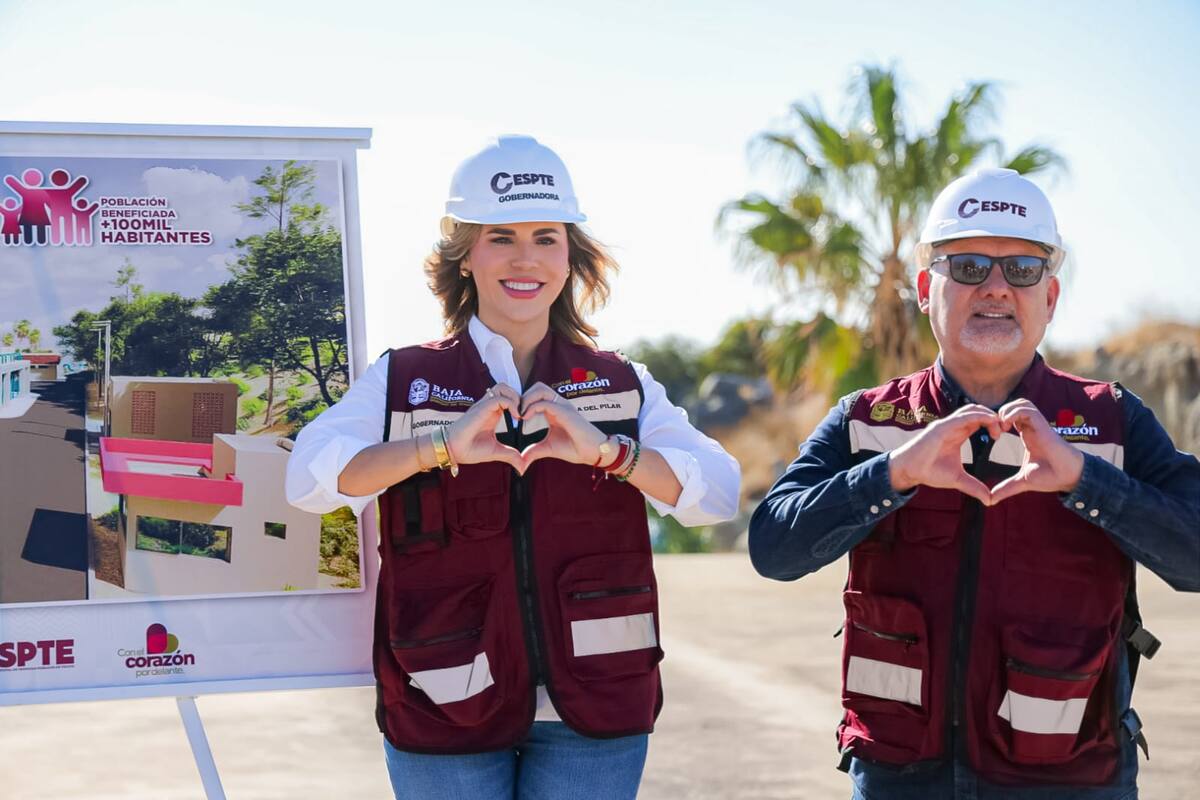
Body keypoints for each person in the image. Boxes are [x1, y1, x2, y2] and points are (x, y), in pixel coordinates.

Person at [286, 134, 740, 800]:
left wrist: (612, 453)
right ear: (465, 256)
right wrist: (435, 447)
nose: (525, 258)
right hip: (444, 698)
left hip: (597, 706)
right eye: (501, 237)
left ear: (570, 255)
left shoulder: (620, 383)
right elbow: (308, 480)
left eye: (546, 237)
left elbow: (720, 494)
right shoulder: (403, 379)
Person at [748, 168, 1199, 799]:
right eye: (967, 268)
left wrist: (1084, 480)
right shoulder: (868, 419)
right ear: (927, 288)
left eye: (1020, 269)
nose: (994, 288)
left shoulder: (1113, 419)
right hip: (900, 776)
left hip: (1072, 779)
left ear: (1051, 296)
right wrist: (893, 471)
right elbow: (773, 546)